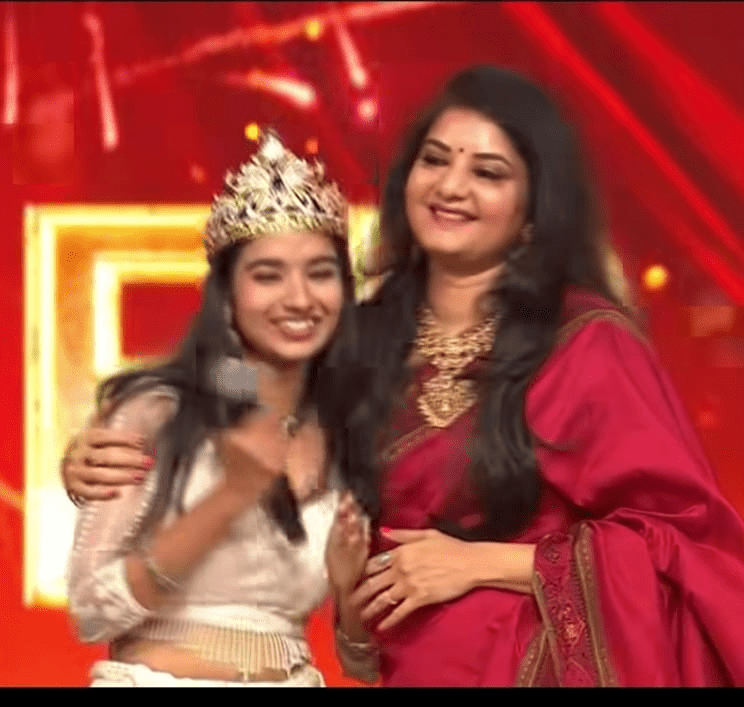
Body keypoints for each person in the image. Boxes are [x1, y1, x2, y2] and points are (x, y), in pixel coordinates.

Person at [64, 66, 744, 687]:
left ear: (534, 212)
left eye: (488, 172)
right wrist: (132, 426)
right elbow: (241, 382)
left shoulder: (586, 343)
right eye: (435, 160)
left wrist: (491, 563)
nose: (451, 187)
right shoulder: (362, 336)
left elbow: (683, 546)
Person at [64, 129, 365, 686]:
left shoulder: (348, 427)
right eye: (268, 275)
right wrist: (229, 497)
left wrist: (348, 591)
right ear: (227, 296)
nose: (300, 298)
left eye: (320, 273)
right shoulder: (159, 411)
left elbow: (363, 660)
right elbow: (90, 608)